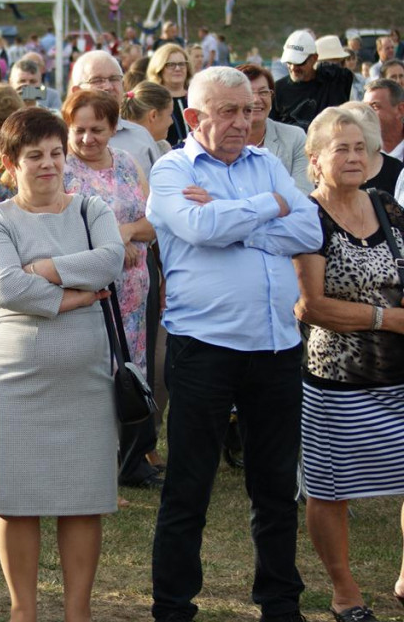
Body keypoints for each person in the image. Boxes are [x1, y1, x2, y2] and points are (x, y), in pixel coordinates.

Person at [147, 66, 323, 622]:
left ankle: (279, 600)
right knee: (189, 485)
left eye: (248, 110)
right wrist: (272, 206)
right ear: (193, 117)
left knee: (274, 487)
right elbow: (198, 229)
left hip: (275, 346)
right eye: (228, 111)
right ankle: (173, 605)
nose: (243, 122)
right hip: (205, 346)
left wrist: (233, 221)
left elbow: (313, 231)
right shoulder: (171, 170)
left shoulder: (266, 163)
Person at [0, 106, 123, 622]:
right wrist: (75, 298)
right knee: (16, 500)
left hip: (84, 380)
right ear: (11, 164)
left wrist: (45, 268)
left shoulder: (91, 209)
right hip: (14, 382)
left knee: (83, 498)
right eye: (34, 155)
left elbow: (110, 260)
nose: (48, 164)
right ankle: (24, 612)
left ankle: (78, 612)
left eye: (56, 153)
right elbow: (3, 286)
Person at [293, 106, 404, 622]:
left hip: (399, 376)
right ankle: (344, 592)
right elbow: (311, 305)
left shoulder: (387, 206)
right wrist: (387, 319)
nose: (355, 156)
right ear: (316, 160)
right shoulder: (308, 216)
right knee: (331, 489)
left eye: (362, 147)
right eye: (342, 148)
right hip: (337, 381)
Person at [63, 90, 159, 490]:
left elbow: (154, 222)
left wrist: (128, 233)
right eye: (79, 130)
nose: (88, 139)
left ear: (114, 128)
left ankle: (133, 460)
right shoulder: (63, 171)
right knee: (93, 373)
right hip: (90, 291)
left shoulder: (127, 164)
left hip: (133, 292)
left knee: (132, 370)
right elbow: (60, 233)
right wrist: (111, 245)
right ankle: (91, 462)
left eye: (97, 130)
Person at [71, 51, 161, 172]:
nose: (108, 86)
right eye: (97, 80)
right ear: (77, 91)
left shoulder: (141, 137)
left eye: (114, 79)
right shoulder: (61, 140)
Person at [237, 64, 312, 194]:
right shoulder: (218, 142)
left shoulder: (295, 138)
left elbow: (302, 196)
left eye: (263, 92)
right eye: (248, 92)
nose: (256, 99)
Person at [273, 30, 354, 130]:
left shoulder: (331, 82)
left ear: (314, 58)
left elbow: (347, 78)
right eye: (289, 62)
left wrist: (332, 69)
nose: (293, 68)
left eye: (299, 63)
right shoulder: (278, 89)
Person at [146, 44, 191, 148]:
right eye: (171, 64)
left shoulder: (196, 98)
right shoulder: (152, 101)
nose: (178, 68)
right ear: (159, 68)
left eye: (182, 64)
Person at [121, 81, 174, 156]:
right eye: (169, 114)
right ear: (153, 115)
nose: (171, 121)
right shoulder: (122, 152)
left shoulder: (162, 146)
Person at [364, 78, 404, 161]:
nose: (366, 114)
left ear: (400, 110)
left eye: (374, 107)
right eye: (365, 108)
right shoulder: (361, 152)